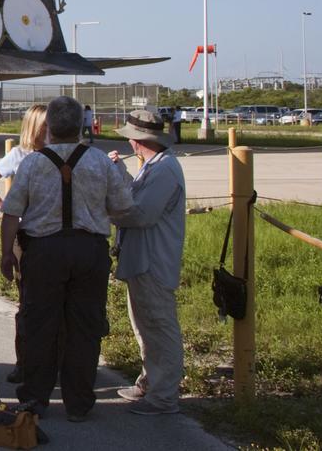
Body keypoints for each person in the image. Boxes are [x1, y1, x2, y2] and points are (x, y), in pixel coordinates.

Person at [0, 96, 133, 422]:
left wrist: (6, 253)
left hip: (44, 252)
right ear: (81, 125)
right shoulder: (100, 161)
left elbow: (11, 212)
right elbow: (122, 206)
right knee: (84, 327)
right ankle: (79, 402)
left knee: (39, 325)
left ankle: (35, 399)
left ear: (50, 128)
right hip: (89, 251)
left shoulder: (31, 163)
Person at [109, 110, 186, 416]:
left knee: (158, 325)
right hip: (142, 260)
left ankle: (164, 395)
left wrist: (106, 209)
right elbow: (137, 196)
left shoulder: (164, 170)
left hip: (153, 261)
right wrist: (120, 175)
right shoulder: (155, 166)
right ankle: (150, 383)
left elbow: (140, 213)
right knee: (145, 325)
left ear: (139, 140)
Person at [0, 103, 47, 384]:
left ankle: (52, 362)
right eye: (44, 126)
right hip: (26, 236)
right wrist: (2, 205)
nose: (48, 132)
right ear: (33, 128)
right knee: (28, 303)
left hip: (53, 237)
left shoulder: (59, 154)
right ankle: (23, 363)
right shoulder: (18, 155)